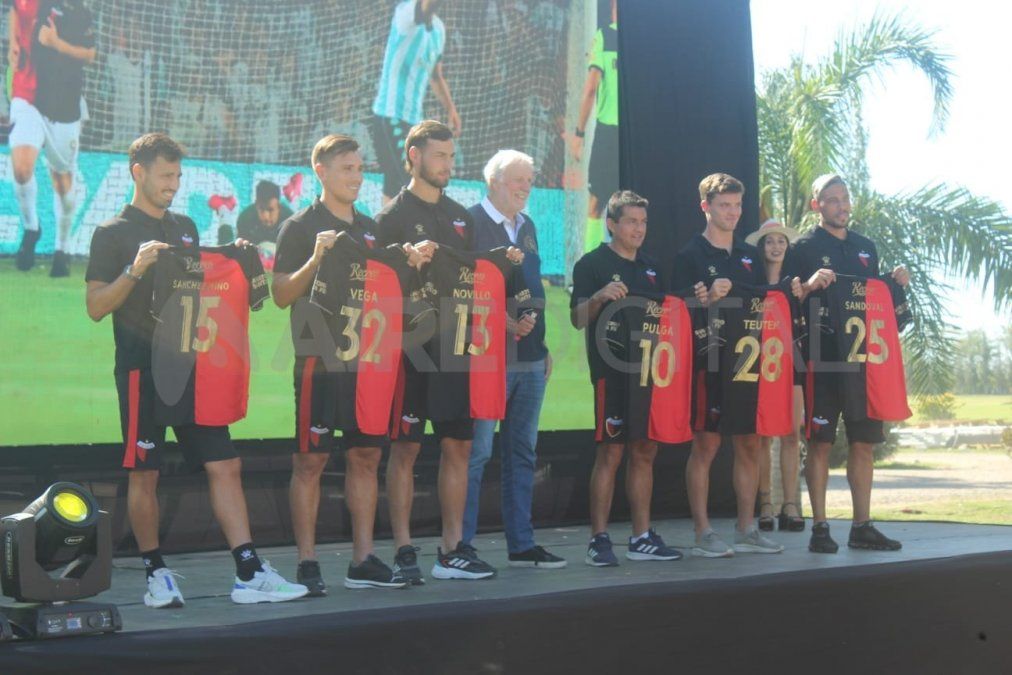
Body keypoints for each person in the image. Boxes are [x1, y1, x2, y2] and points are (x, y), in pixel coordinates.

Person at [84, 133, 307, 607]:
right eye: (166, 175)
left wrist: (236, 256)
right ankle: (155, 574)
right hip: (143, 371)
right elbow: (95, 306)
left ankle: (249, 570)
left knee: (226, 464)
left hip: (194, 370)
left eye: (178, 176)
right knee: (145, 474)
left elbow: (204, 279)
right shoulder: (112, 233)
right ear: (137, 172)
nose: (173, 185)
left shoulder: (185, 227)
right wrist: (135, 269)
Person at [272, 134, 426, 593]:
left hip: (370, 363)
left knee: (365, 457)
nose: (357, 177)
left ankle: (363, 559)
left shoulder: (371, 229)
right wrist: (316, 258)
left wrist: (413, 261)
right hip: (319, 360)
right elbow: (280, 295)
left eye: (361, 169)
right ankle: (307, 563)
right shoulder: (299, 227)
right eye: (347, 169)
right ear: (320, 170)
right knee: (311, 462)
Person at [376, 120, 519, 582]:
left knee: (459, 447)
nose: (448, 165)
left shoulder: (463, 217)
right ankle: (403, 549)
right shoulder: (390, 216)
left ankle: (452, 549)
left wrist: (505, 287)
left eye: (452, 157)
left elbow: (473, 279)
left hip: (458, 349)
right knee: (406, 450)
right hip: (410, 353)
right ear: (414, 156)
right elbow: (378, 288)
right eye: (440, 156)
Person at [789, 174, 910, 553]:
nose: (841, 205)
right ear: (817, 205)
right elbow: (788, 300)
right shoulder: (803, 247)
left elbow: (874, 301)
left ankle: (862, 526)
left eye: (845, 198)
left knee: (863, 443)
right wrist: (808, 286)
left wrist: (895, 283)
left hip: (864, 360)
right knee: (820, 442)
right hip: (822, 358)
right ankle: (820, 528)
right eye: (832, 199)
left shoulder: (865, 247)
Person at [462, 150, 565, 569]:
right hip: (487, 360)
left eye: (530, 180)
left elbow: (531, 290)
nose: (526, 187)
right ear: (494, 181)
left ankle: (521, 546)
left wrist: (542, 345)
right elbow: (460, 289)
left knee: (522, 454)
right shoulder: (469, 223)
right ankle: (460, 546)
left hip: (529, 360)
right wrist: (501, 323)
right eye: (518, 180)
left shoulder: (529, 226)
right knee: (476, 454)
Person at [672, 173, 784, 557]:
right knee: (706, 445)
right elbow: (673, 311)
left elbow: (765, 301)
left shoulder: (750, 256)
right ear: (705, 207)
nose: (733, 213)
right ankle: (703, 532)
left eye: (737, 206)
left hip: (748, 361)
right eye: (724, 205)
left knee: (750, 445)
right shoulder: (690, 255)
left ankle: (746, 529)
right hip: (709, 362)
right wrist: (701, 298)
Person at [570, 190, 683, 567]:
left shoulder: (651, 267)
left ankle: (641, 537)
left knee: (644, 450)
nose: (639, 229)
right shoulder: (592, 264)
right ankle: (598, 539)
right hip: (611, 371)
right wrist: (600, 296)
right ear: (612, 224)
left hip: (648, 372)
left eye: (643, 222)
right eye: (632, 221)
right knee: (611, 451)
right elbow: (577, 319)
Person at [9, 0, 95, 276]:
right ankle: (31, 228)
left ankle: (62, 247)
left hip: (65, 106)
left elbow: (90, 54)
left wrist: (57, 44)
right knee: (21, 169)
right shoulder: (35, 3)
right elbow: (15, 8)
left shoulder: (81, 13)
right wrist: (12, 40)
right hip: (30, 97)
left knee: (62, 181)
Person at [744, 219, 806, 532]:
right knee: (763, 436)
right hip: (759, 359)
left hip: (791, 358)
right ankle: (765, 502)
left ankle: (790, 504)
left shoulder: (796, 284)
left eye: (781, 241)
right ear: (761, 246)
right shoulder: (750, 281)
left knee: (792, 433)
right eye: (770, 241)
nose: (776, 247)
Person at [370, 0, 461, 204]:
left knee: (394, 183)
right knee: (412, 177)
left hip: (413, 122)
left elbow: (436, 76)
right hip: (389, 115)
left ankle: (382, 231)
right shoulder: (406, 13)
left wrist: (451, 109)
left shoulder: (439, 29)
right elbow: (425, 7)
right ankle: (404, 233)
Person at [571, 0, 618, 252]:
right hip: (635, 138)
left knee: (597, 204)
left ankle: (589, 265)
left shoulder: (606, 36)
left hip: (609, 133)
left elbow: (590, 89)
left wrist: (578, 132)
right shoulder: (647, 44)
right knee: (631, 207)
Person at [236, 180, 293, 245]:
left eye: (270, 210)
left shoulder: (290, 223)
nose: (266, 216)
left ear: (279, 207)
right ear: (256, 205)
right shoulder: (245, 219)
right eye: (261, 209)